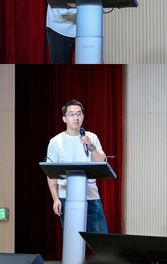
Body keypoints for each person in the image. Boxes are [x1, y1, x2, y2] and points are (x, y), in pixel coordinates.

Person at [46, 99, 108, 233]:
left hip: (91, 196)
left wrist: (91, 147)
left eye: (79, 114)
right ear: (64, 119)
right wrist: (55, 199)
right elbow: (51, 173)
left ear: (83, 117)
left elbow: (102, 162)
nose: (76, 118)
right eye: (72, 114)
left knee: (101, 238)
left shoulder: (91, 137)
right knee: (72, 238)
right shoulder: (56, 142)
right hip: (66, 196)